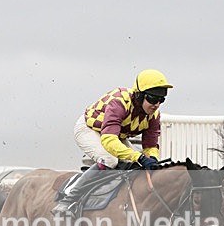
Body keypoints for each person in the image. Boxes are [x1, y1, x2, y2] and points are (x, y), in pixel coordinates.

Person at [51, 69, 171, 216]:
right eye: (152, 99)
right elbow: (109, 140)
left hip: (115, 134)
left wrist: (152, 158)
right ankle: (68, 200)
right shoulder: (119, 103)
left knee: (134, 165)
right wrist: (139, 157)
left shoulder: (154, 116)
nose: (156, 104)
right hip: (89, 129)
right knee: (110, 160)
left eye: (161, 100)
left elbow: (150, 145)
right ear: (139, 96)